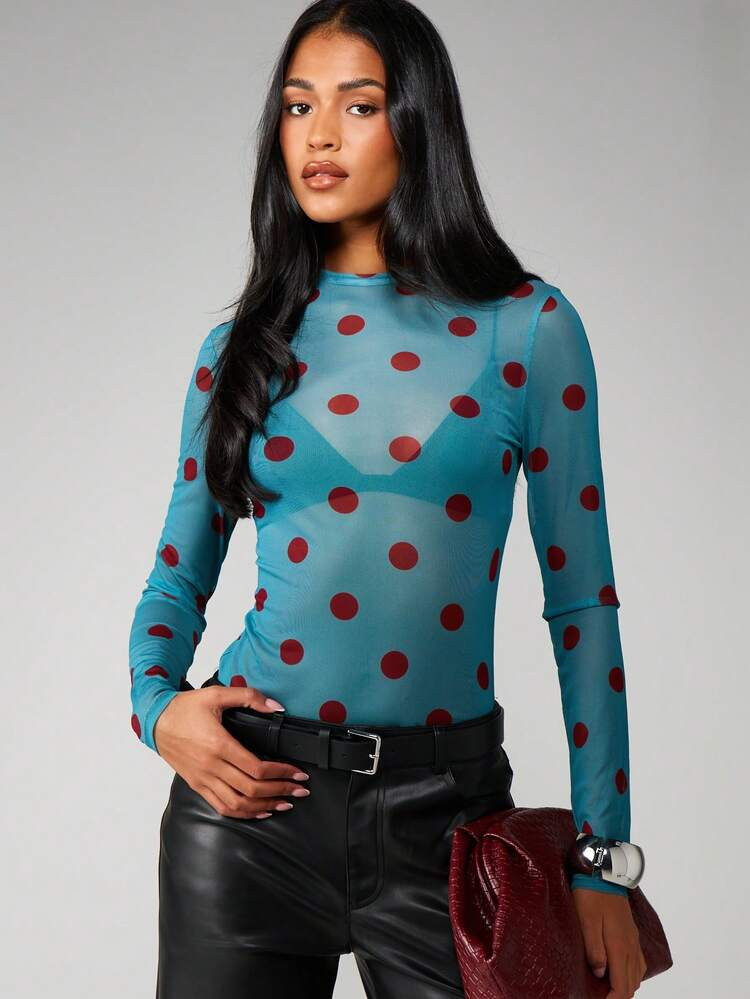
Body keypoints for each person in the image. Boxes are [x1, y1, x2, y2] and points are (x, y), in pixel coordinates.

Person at [128, 2, 646, 996]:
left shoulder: (529, 329)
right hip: (250, 816)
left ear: (417, 122)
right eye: (298, 106)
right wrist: (161, 712)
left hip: (447, 823)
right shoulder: (240, 350)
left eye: (358, 106)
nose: (319, 135)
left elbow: (584, 605)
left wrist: (602, 858)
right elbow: (174, 579)